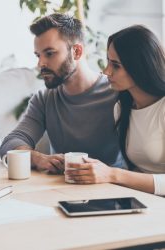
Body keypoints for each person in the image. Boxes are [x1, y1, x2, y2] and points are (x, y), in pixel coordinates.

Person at [0, 13, 123, 173]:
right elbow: (11, 143)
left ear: (77, 52)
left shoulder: (117, 92)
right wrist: (37, 158)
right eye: (38, 55)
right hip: (59, 193)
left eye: (50, 53)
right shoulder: (44, 99)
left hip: (112, 194)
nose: (40, 64)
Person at [65, 25, 165, 195]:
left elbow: (122, 174)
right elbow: (132, 170)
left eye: (116, 65)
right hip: (141, 199)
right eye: (108, 62)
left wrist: (112, 174)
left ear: (140, 66)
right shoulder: (121, 108)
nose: (106, 71)